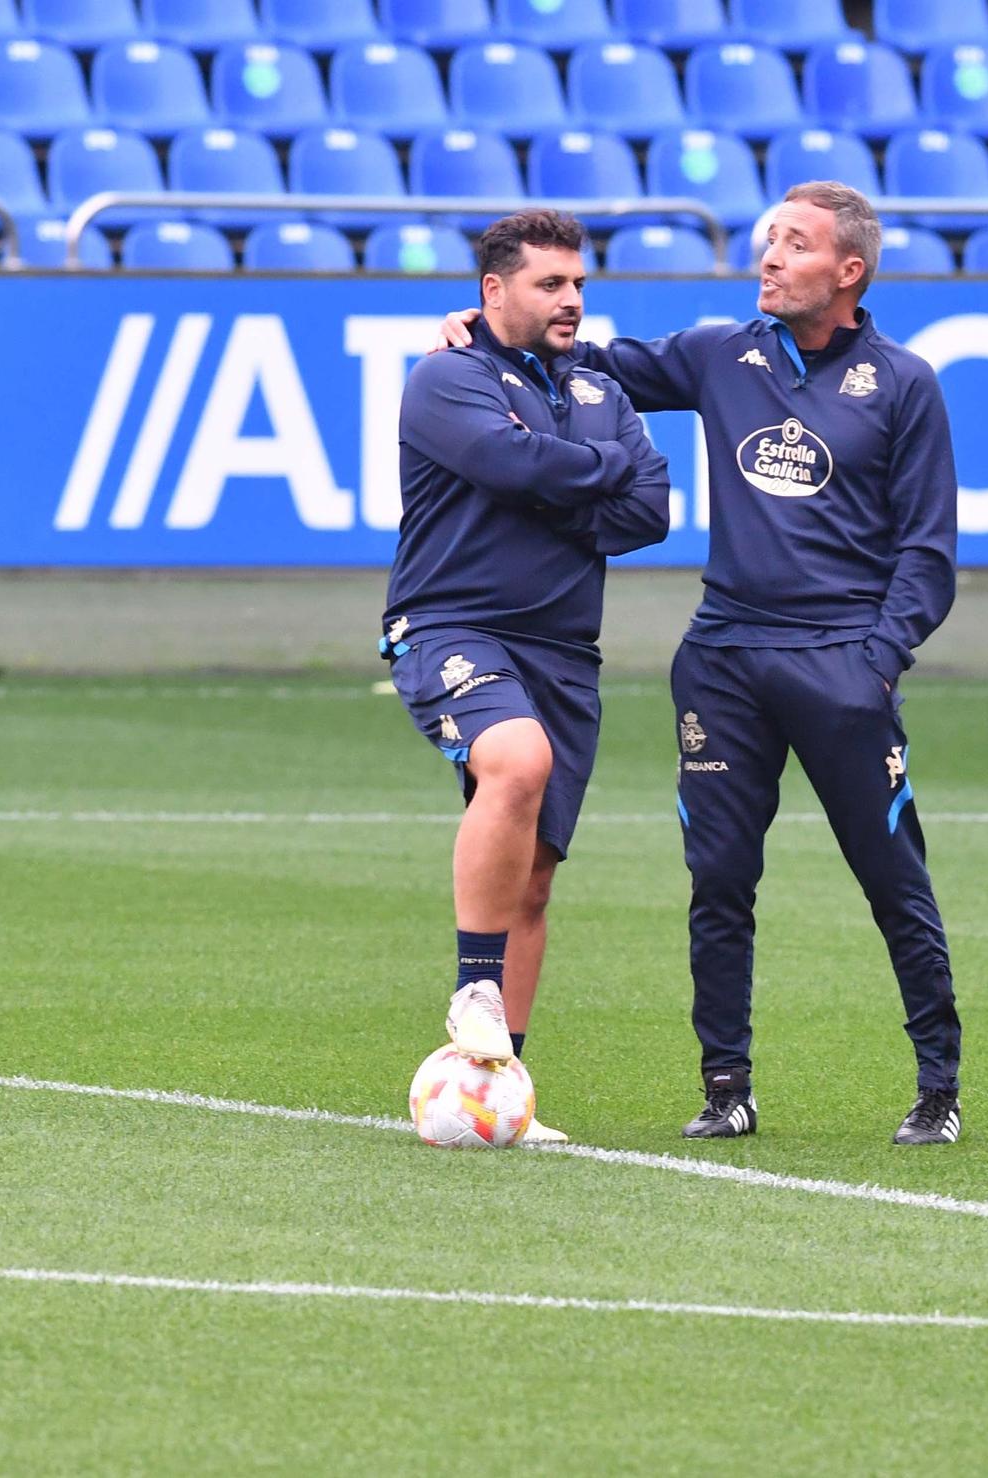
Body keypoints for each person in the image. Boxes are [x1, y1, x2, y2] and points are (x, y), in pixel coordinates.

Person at [436, 183, 962, 1146]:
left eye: (794, 245)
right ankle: (727, 1088)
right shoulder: (724, 353)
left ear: (847, 272)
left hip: (842, 664)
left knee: (890, 877)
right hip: (722, 660)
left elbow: (926, 555)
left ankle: (938, 1087)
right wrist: (485, 330)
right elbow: (588, 362)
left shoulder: (903, 383)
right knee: (718, 880)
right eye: (768, 239)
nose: (769, 256)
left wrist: (879, 661)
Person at [387, 208, 670, 1145]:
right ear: (492, 291)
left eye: (579, 285)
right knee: (514, 759)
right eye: (551, 284)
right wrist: (596, 470)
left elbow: (651, 510)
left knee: (537, 879)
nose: (572, 301)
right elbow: (501, 462)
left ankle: (500, 1083)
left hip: (563, 648)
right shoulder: (444, 377)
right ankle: (475, 986)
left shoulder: (597, 388)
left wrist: (565, 478)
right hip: (451, 624)